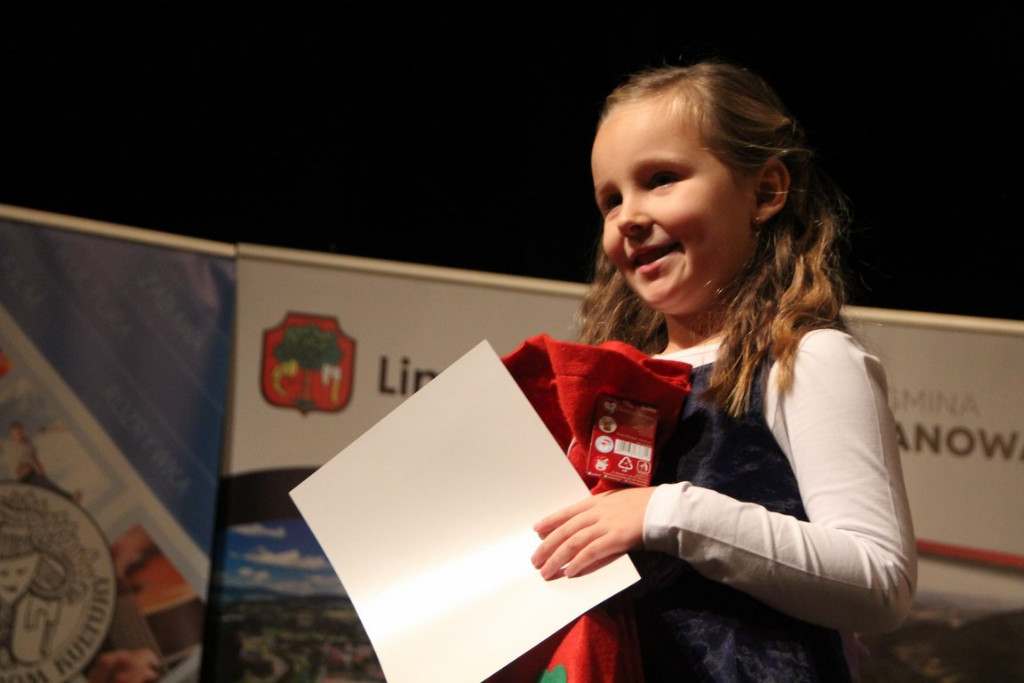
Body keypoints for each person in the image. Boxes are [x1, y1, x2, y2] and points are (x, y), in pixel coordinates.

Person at [529, 61, 917, 681]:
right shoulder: (616, 387)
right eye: (611, 200)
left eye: (660, 179)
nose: (628, 216)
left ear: (765, 192)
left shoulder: (804, 359)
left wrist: (668, 513)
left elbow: (880, 581)